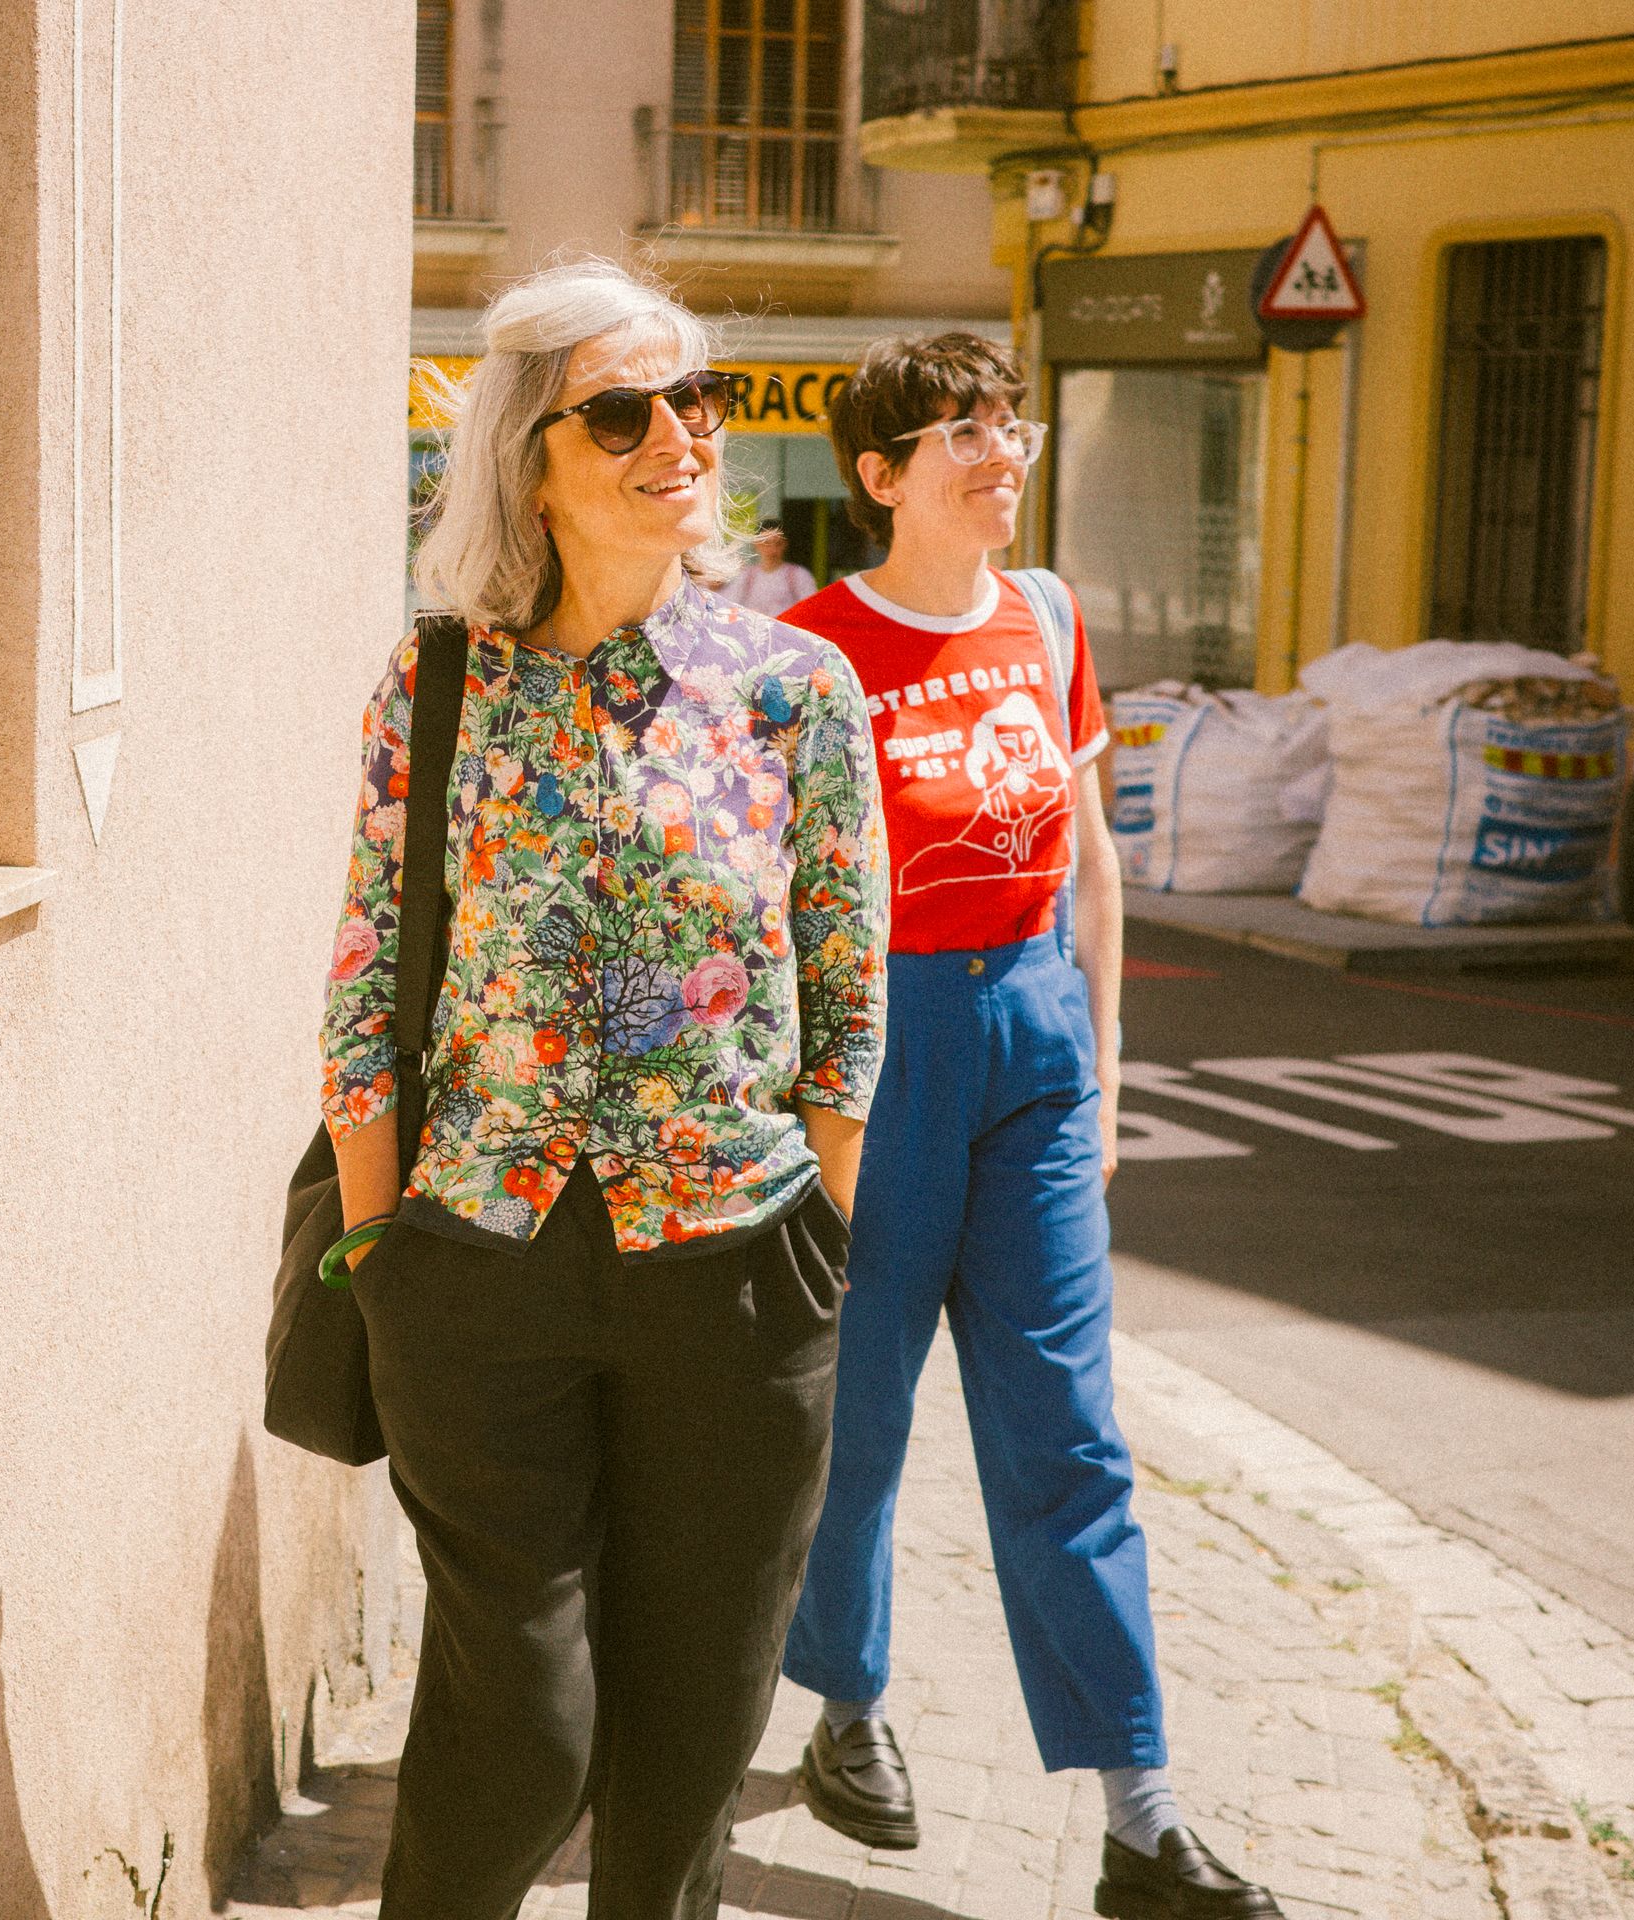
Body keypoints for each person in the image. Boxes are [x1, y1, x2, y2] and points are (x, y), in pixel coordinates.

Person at [318, 259, 889, 1918]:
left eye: (693, 400)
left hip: (741, 1266)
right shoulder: (437, 689)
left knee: (690, 1753)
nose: (678, 437)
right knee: (527, 1726)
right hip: (480, 1263)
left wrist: (824, 1228)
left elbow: (852, 992)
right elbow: (365, 985)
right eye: (624, 411)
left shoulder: (795, 690)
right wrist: (382, 1254)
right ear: (528, 456)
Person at [776, 333, 1286, 1920]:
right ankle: (847, 1709)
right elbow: (772, 906)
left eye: (1012, 426)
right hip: (875, 1052)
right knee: (855, 1423)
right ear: (880, 478)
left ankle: (1142, 1819)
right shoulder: (810, 652)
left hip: (1036, 1040)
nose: (1003, 455)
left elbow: (1094, 865)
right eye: (961, 436)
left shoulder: (1046, 616)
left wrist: (1108, 1075)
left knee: (1069, 1437)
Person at [722, 518, 819, 616]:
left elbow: (810, 611)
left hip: (785, 629)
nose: (772, 550)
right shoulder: (746, 576)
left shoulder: (799, 575)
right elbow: (729, 605)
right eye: (766, 543)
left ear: (785, 544)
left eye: (778, 543)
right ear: (756, 544)